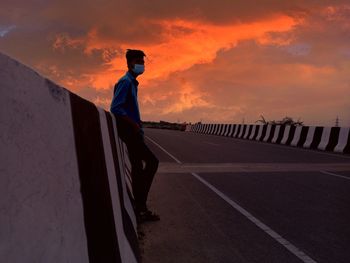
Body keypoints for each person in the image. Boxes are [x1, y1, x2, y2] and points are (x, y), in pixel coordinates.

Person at [110, 49, 160, 223]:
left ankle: (140, 208)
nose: (142, 65)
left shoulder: (132, 83)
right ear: (129, 63)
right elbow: (116, 108)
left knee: (138, 170)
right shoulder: (125, 82)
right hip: (130, 134)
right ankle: (141, 205)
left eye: (143, 62)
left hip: (134, 133)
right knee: (153, 162)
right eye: (139, 61)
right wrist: (134, 125)